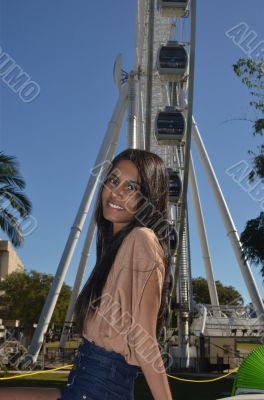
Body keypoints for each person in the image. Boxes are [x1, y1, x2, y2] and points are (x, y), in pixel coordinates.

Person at [0, 148, 173, 400]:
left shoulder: (142, 240)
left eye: (131, 188)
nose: (116, 192)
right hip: (80, 389)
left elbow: (145, 340)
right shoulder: (115, 249)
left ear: (148, 199)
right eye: (113, 181)